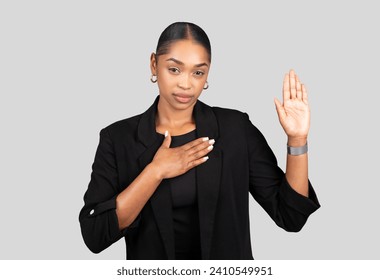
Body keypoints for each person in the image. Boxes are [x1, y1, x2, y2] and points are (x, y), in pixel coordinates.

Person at [79, 22, 320, 260]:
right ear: (154, 64)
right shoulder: (117, 138)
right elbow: (95, 234)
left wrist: (297, 139)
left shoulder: (235, 129)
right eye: (174, 69)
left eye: (198, 72)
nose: (186, 84)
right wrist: (155, 172)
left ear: (207, 73)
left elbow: (291, 217)